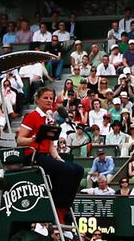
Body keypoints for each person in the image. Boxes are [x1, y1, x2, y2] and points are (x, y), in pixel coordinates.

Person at [17, 86, 85, 222]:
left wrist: (58, 158)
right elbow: (20, 140)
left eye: (51, 98)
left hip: (46, 155)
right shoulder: (31, 117)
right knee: (67, 170)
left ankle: (66, 207)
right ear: (38, 99)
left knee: (78, 170)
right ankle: (58, 207)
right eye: (45, 98)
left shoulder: (49, 119)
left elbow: (50, 144)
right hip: (33, 155)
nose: (49, 100)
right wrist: (33, 139)